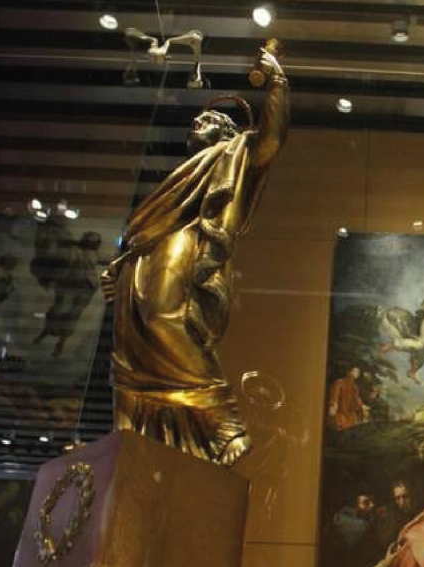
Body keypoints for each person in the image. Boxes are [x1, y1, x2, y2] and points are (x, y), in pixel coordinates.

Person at [101, 41, 289, 466]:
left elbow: (271, 141)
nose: (197, 122)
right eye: (196, 120)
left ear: (228, 132)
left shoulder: (233, 153)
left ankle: (223, 418)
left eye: (210, 119)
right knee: (127, 345)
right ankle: (126, 438)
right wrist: (118, 266)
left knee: (164, 317)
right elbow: (145, 229)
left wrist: (277, 81)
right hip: (143, 255)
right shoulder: (180, 176)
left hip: (184, 241)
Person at [33, 229, 105, 356]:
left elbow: (108, 260)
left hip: (86, 287)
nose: (92, 245)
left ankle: (61, 342)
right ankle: (46, 332)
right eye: (90, 242)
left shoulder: (95, 255)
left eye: (94, 243)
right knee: (58, 309)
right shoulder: (72, 251)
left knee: (73, 314)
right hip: (68, 284)